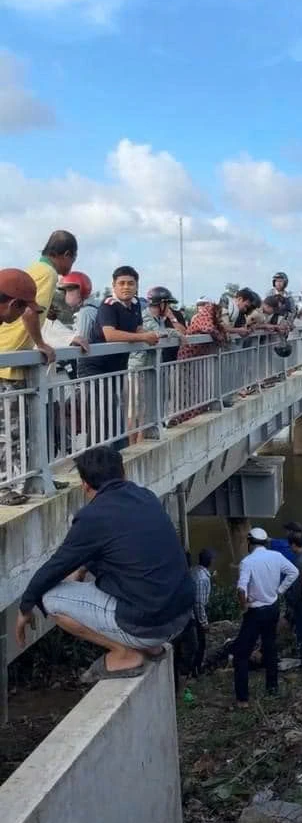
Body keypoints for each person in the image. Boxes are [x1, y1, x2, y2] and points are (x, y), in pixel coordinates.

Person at [15, 446, 194, 681]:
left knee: (50, 599)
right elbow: (119, 547)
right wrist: (83, 567)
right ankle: (150, 648)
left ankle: (124, 653)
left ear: (85, 485)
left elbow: (55, 567)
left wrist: (25, 606)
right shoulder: (146, 497)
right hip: (180, 617)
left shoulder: (93, 516)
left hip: (149, 626)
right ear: (123, 474)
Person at [0, 233, 78, 504]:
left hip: (12, 358)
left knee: (26, 428)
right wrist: (41, 343)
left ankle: (35, 476)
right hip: (11, 361)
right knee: (11, 431)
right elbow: (31, 312)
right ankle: (5, 485)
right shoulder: (47, 274)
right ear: (66, 255)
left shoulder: (33, 270)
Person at [78, 266, 158, 447]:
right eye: (121, 283)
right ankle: (95, 458)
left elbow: (137, 327)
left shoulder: (136, 305)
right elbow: (110, 335)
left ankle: (116, 452)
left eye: (130, 283)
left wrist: (152, 335)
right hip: (95, 366)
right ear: (114, 286)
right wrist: (143, 337)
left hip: (116, 366)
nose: (126, 287)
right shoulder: (108, 306)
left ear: (137, 286)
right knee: (101, 413)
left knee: (115, 411)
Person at [233, 527, 298, 706]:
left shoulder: (248, 562)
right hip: (273, 608)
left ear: (249, 542)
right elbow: (294, 572)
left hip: (255, 612)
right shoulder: (276, 557)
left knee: (241, 654)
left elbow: (241, 588)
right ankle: (272, 688)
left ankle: (242, 699)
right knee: (269, 647)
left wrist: (243, 605)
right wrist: (280, 590)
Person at [127, 286, 185, 443]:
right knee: (135, 410)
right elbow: (157, 334)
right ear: (161, 304)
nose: (169, 308)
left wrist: (174, 330)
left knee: (145, 410)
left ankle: (141, 440)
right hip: (139, 368)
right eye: (168, 305)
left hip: (149, 367)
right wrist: (175, 333)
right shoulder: (145, 317)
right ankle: (132, 445)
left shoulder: (157, 319)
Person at [284, 532, 302, 665]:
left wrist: (290, 601)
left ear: (294, 545)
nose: (290, 548)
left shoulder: (298, 562)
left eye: (290, 545)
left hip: (301, 601)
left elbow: (296, 588)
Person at [57, 270, 98, 356]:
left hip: (88, 362)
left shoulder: (85, 313)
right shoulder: (94, 307)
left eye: (68, 291)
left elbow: (81, 343)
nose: (65, 295)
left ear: (80, 291)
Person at [190, 548, 213, 675]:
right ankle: (196, 670)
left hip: (187, 614)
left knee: (195, 644)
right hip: (195, 617)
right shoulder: (202, 578)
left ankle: (193, 669)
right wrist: (204, 622)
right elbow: (199, 604)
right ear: (210, 561)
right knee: (200, 644)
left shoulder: (194, 570)